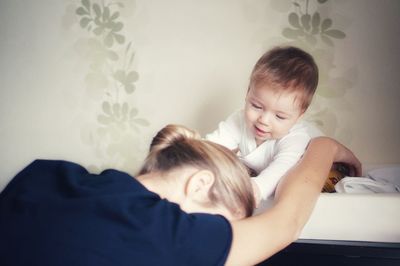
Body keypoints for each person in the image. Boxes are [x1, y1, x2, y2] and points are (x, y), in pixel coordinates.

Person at [0, 124, 361, 266]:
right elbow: (286, 224)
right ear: (199, 185)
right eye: (224, 223)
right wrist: (325, 146)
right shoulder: (164, 232)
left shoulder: (46, 174)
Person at [206, 46, 321, 203]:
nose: (264, 120)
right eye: (257, 106)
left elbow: (283, 167)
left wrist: (258, 187)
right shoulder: (239, 120)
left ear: (299, 116)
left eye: (279, 116)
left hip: (321, 168)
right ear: (248, 94)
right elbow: (212, 146)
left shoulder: (296, 137)